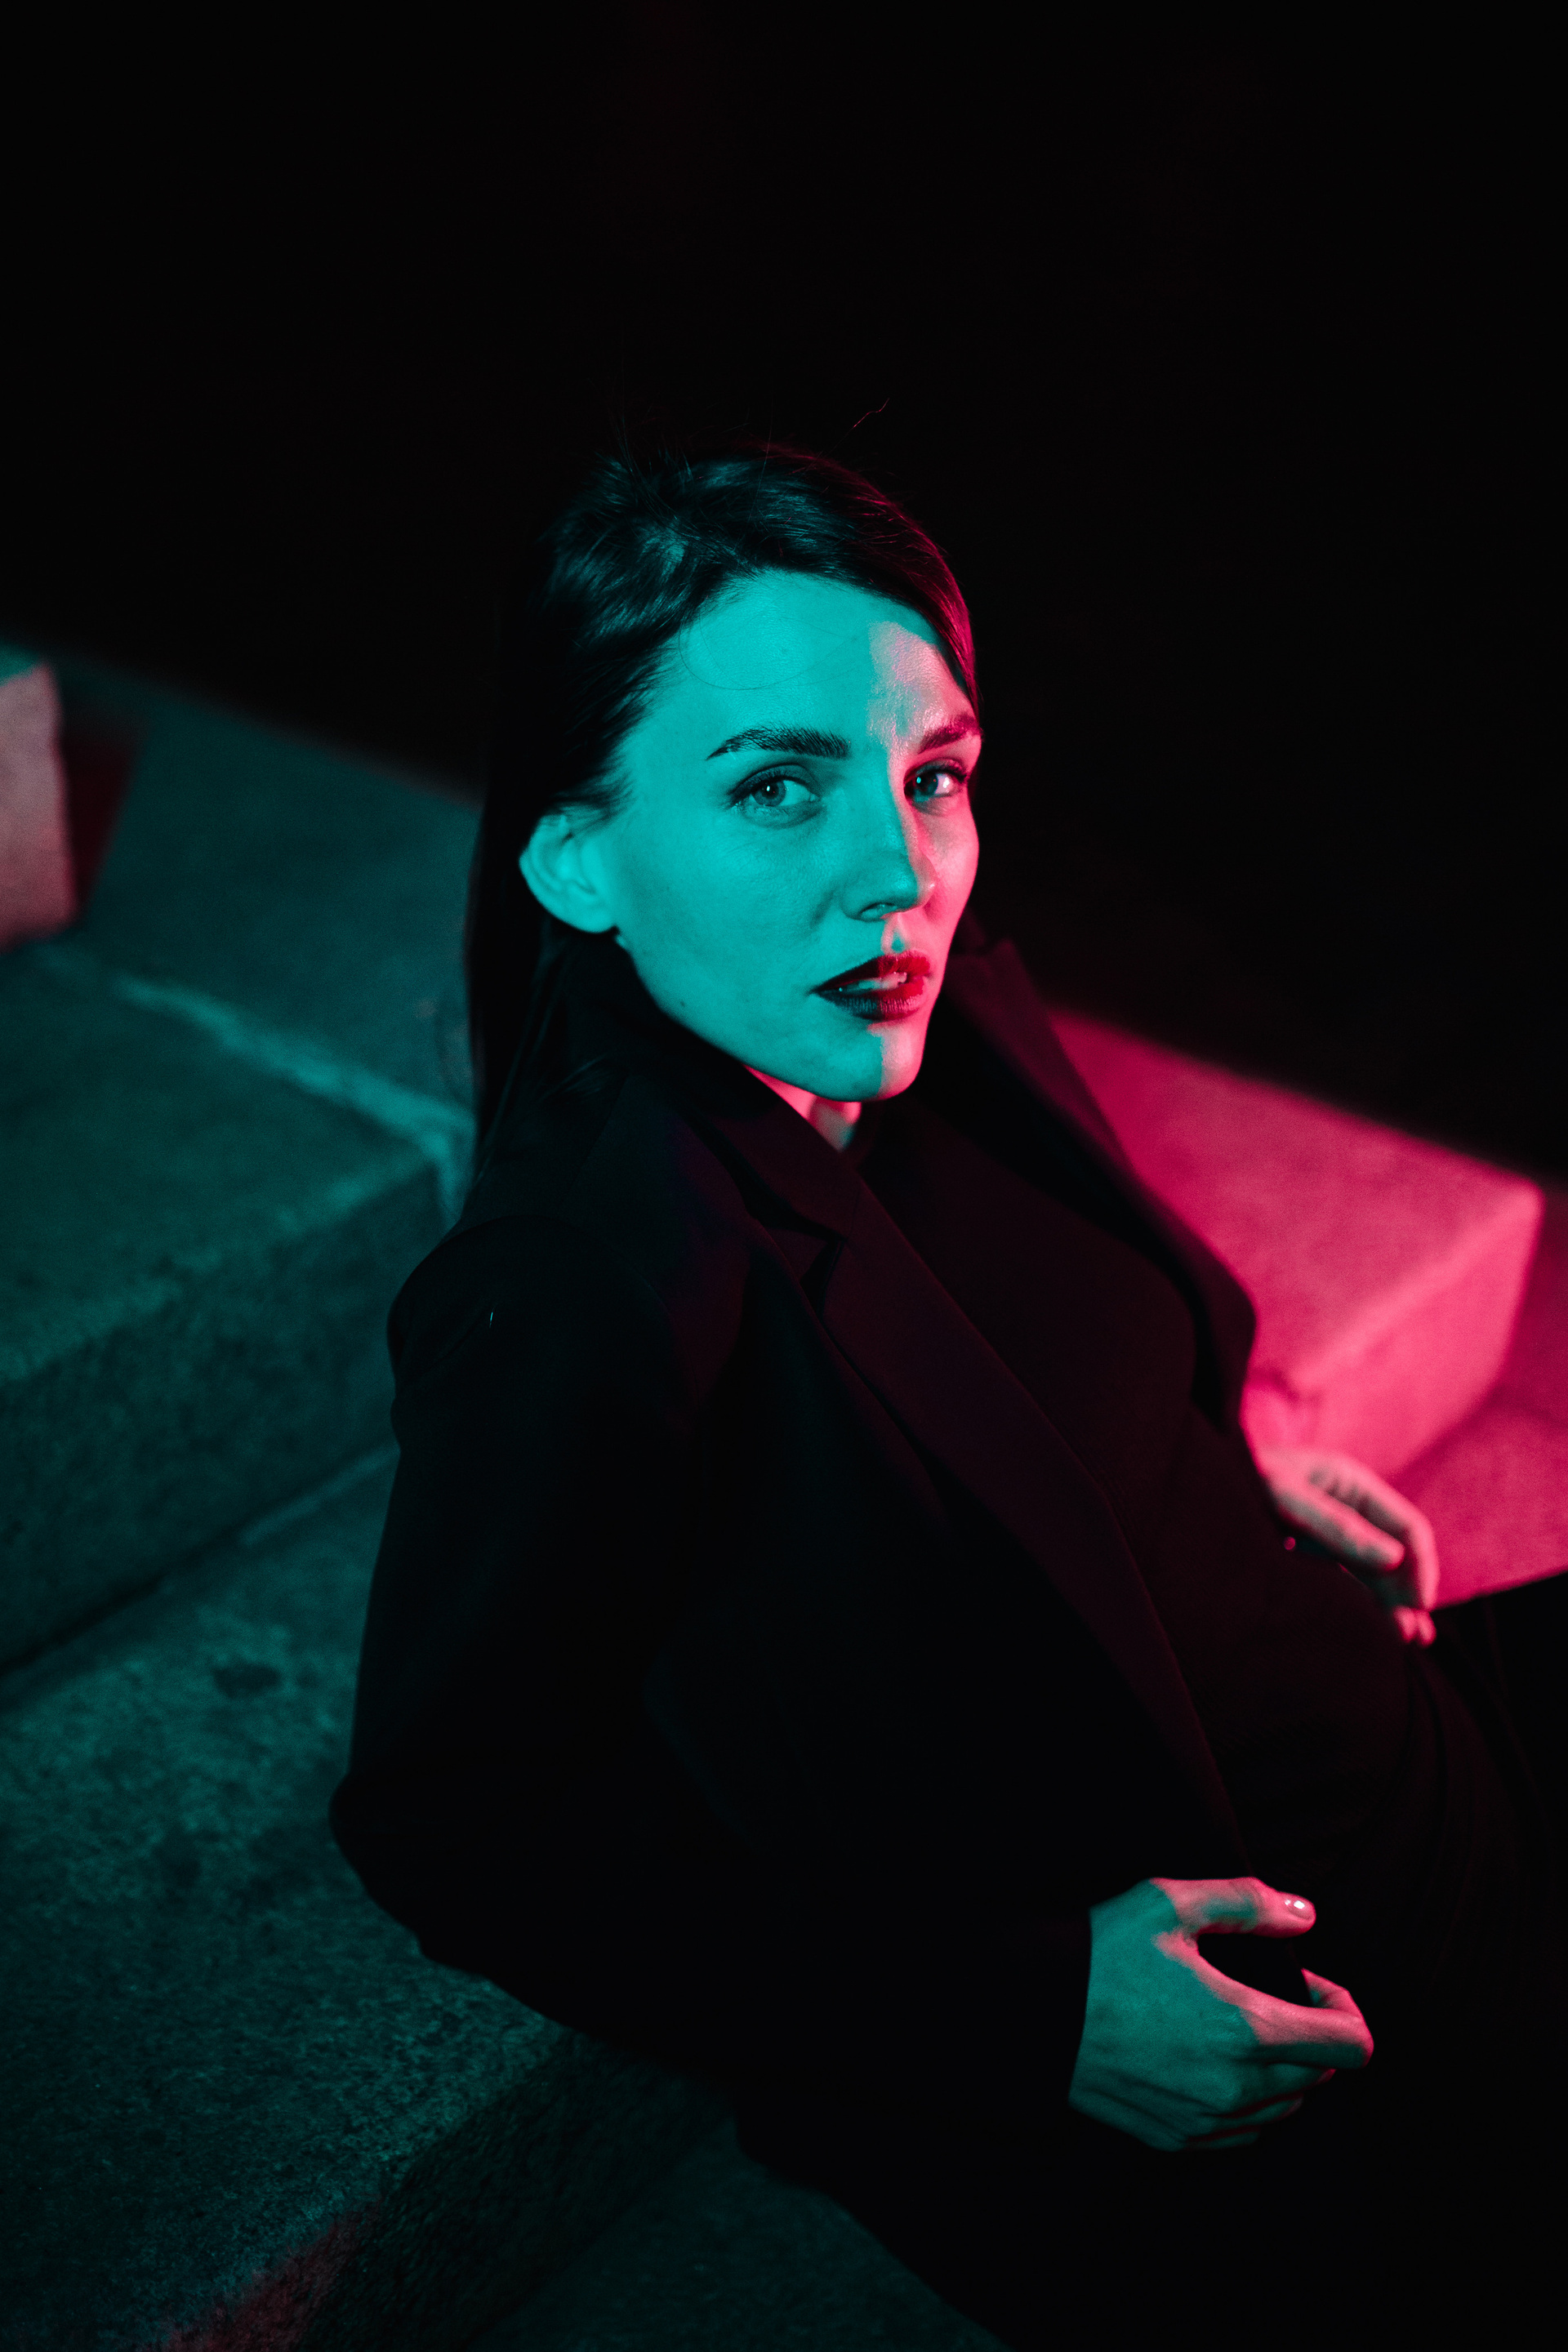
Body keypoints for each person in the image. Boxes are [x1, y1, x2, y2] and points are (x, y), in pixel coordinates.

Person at [330, 444, 1566, 2345]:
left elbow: (1042, 1364)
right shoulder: (588, 1281)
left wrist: (1210, 1468)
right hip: (1313, 2052)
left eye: (933, 775)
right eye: (776, 787)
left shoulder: (924, 1004)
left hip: (1433, 1756)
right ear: (582, 858)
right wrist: (1035, 2014)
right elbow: (456, 1819)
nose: (900, 868)